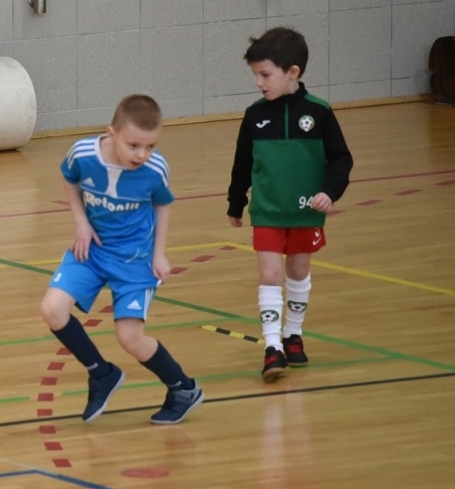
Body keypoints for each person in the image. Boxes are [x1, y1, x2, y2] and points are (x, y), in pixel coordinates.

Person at [38, 95, 204, 425]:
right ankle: (102, 374)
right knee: (52, 309)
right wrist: (81, 222)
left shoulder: (156, 170)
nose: (142, 154)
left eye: (150, 146)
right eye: (134, 145)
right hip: (92, 249)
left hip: (135, 259)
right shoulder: (83, 154)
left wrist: (159, 254)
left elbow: (163, 206)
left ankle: (183, 389)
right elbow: (69, 179)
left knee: (129, 338)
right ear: (111, 133)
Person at [226, 26, 353, 380]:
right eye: (256, 75)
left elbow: (342, 159)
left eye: (265, 75)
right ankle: (272, 348)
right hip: (267, 211)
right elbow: (242, 162)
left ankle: (292, 334)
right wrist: (236, 202)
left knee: (297, 271)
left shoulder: (320, 113)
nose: (259, 83)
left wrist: (330, 190)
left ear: (292, 72)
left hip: (305, 212)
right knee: (269, 274)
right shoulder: (254, 115)